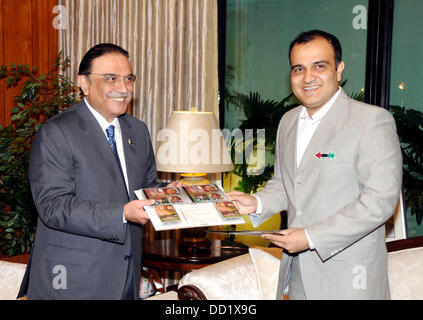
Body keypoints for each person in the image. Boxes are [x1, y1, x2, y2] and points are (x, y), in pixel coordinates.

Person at [228, 30, 402, 300]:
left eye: (319, 66)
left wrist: (310, 237)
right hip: (298, 275)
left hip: (351, 281)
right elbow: (287, 184)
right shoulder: (288, 122)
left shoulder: (371, 121)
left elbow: (379, 202)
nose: (308, 77)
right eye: (299, 69)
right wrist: (256, 203)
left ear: (339, 69)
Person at [17, 43, 179, 299]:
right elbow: (53, 206)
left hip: (126, 276)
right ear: (84, 83)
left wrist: (167, 192)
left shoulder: (137, 130)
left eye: (128, 78)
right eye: (111, 79)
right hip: (73, 281)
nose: (123, 89)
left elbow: (143, 187)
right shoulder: (57, 132)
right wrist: (122, 213)